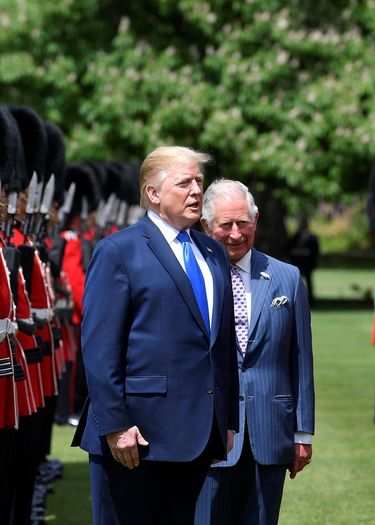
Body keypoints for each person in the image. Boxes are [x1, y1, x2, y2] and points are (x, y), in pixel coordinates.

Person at [72, 146, 238, 525]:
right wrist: (115, 424)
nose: (197, 190)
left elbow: (221, 345)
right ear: (153, 193)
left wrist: (227, 420)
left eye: (199, 181)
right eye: (184, 182)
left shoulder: (211, 252)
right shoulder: (119, 251)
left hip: (197, 435)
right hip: (135, 437)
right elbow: (99, 348)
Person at [195, 179, 315, 525]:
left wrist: (302, 433)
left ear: (256, 220)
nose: (235, 234)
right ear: (206, 224)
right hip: (208, 434)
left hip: (269, 432)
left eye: (243, 223)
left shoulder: (287, 278)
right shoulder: (193, 276)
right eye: (225, 225)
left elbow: (301, 359)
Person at [286, 215, 319, 306]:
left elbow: (315, 251)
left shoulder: (312, 237)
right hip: (297, 262)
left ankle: (310, 301)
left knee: (308, 281)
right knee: (296, 282)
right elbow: (288, 248)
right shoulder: (295, 236)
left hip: (307, 263)